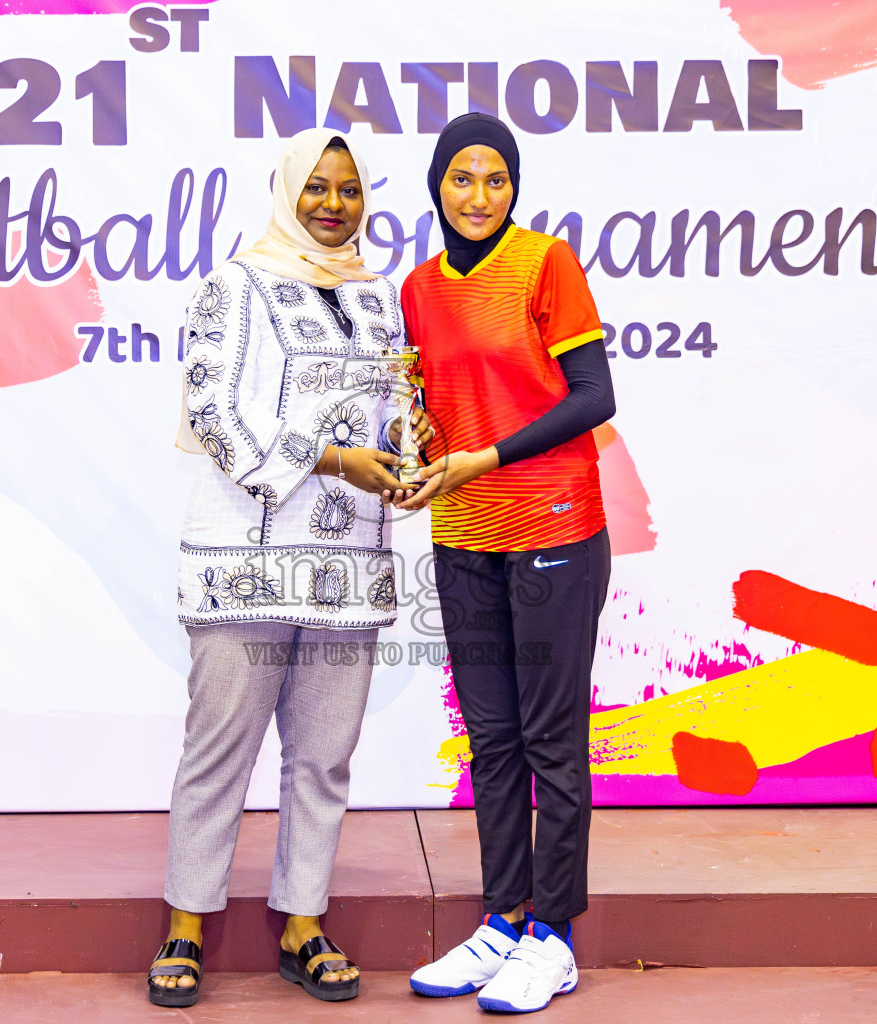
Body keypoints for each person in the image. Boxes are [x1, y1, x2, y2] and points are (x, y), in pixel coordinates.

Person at [150, 126, 430, 1007]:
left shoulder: (381, 297)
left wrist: (408, 452)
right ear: (285, 190)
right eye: (317, 187)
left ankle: (302, 922)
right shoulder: (235, 284)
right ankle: (185, 927)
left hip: (348, 564)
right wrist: (327, 459)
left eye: (348, 190)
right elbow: (216, 416)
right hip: (246, 558)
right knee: (218, 751)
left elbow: (396, 405)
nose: (333, 205)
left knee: (324, 756)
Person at [399, 113, 615, 1014]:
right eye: (461, 178)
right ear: (436, 187)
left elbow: (594, 395)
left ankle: (554, 937)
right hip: (462, 537)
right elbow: (436, 401)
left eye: (495, 178)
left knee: (549, 740)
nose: (479, 195)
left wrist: (485, 457)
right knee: (490, 740)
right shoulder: (416, 287)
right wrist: (423, 444)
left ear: (514, 186)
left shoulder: (545, 264)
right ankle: (503, 921)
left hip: (555, 528)